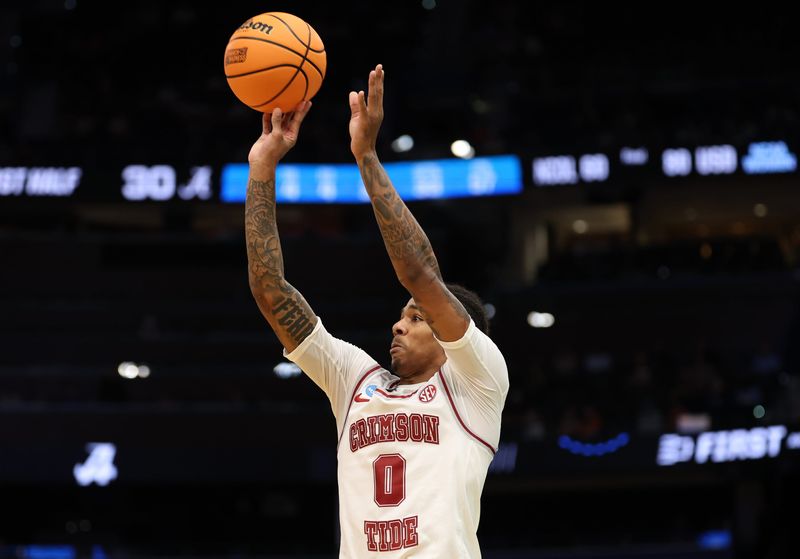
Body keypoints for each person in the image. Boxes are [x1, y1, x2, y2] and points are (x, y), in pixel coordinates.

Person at [245, 64, 509, 558]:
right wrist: (262, 167)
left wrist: (365, 156)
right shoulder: (355, 382)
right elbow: (270, 291)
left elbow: (419, 274)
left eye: (416, 318)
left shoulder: (476, 382)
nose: (398, 323)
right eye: (403, 315)